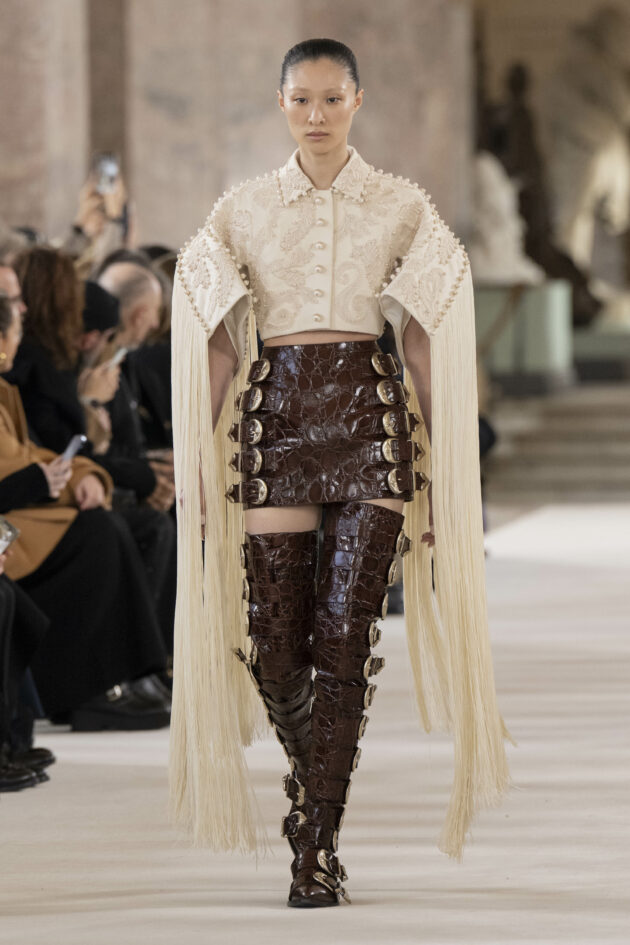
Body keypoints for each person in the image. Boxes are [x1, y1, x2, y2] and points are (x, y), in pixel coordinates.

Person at [170, 39, 514, 908]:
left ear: (358, 100)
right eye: (301, 99)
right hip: (277, 417)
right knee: (276, 644)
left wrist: (444, 471)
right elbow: (216, 344)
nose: (316, 114)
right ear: (280, 103)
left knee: (345, 634)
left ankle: (316, 840)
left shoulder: (401, 206)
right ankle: (310, 772)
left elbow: (424, 340)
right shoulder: (243, 210)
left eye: (331, 98)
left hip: (370, 418)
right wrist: (197, 465)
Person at [0, 289, 170, 730]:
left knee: (112, 527)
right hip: (11, 522)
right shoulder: (25, 377)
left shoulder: (5, 387)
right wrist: (70, 474)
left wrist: (81, 476)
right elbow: (17, 467)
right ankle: (93, 688)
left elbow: (32, 454)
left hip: (20, 515)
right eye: (15, 326)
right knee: (99, 533)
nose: (21, 328)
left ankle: (126, 677)